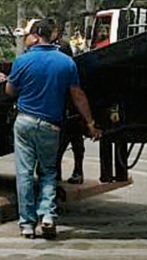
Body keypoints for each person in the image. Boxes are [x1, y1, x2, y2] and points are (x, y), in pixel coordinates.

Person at [6, 18, 101, 240]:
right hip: (51, 125)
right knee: (48, 172)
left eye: (28, 34)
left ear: (36, 36)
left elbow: (10, 90)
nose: (26, 38)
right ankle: (47, 215)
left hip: (25, 122)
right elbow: (78, 95)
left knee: (24, 173)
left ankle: (27, 224)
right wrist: (90, 123)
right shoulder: (66, 63)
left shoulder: (22, 60)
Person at [50, 21, 85, 185]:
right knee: (69, 141)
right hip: (64, 103)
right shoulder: (55, 47)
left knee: (67, 141)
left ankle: (73, 172)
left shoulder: (60, 47)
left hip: (65, 104)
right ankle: (70, 171)